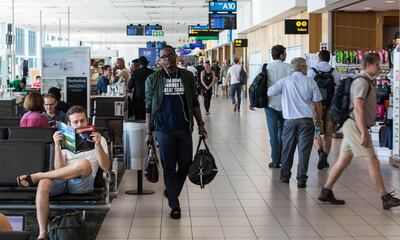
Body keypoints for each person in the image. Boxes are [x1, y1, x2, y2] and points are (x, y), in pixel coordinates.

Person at [318, 52, 400, 209]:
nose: (379, 67)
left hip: (353, 124)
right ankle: (385, 197)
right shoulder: (362, 82)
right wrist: (363, 131)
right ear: (368, 65)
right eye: (377, 65)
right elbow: (358, 107)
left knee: (343, 160)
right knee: (373, 160)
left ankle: (326, 191)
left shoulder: (366, 81)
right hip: (355, 125)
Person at [16, 106, 110, 239]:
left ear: (87, 121)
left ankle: (39, 175)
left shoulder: (99, 139)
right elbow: (59, 167)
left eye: (82, 121)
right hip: (62, 178)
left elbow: (106, 166)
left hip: (82, 182)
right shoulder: (65, 139)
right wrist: (57, 146)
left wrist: (98, 145)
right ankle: (42, 233)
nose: (79, 124)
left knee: (84, 163)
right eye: (75, 122)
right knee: (43, 183)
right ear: (69, 124)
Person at [145, 45, 207, 219]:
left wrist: (201, 124)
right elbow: (148, 107)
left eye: (169, 55)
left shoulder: (187, 76)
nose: (167, 59)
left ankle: (171, 191)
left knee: (186, 164)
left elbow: (194, 101)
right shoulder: (153, 79)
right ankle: (174, 204)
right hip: (163, 130)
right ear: (160, 60)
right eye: (163, 57)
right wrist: (149, 132)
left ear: (175, 56)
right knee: (169, 168)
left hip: (184, 128)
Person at [268, 57, 323, 188]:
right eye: (306, 67)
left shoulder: (285, 81)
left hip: (290, 122)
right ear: (303, 67)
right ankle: (301, 179)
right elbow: (318, 103)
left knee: (287, 149)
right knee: (304, 151)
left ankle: (285, 176)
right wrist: (319, 119)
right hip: (307, 122)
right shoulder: (310, 82)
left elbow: (270, 92)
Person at [307, 50, 341, 170]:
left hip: (317, 106)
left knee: (316, 132)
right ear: (329, 59)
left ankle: (320, 152)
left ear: (319, 58)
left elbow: (309, 89)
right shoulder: (335, 72)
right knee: (328, 134)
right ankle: (325, 158)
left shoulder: (311, 71)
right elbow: (338, 89)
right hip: (331, 106)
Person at [265, 45, 292, 168]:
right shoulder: (289, 68)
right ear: (281, 55)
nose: (286, 55)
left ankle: (275, 160)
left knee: (273, 133)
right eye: (285, 53)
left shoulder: (266, 67)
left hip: (270, 104)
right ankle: (283, 157)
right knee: (283, 133)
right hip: (286, 104)